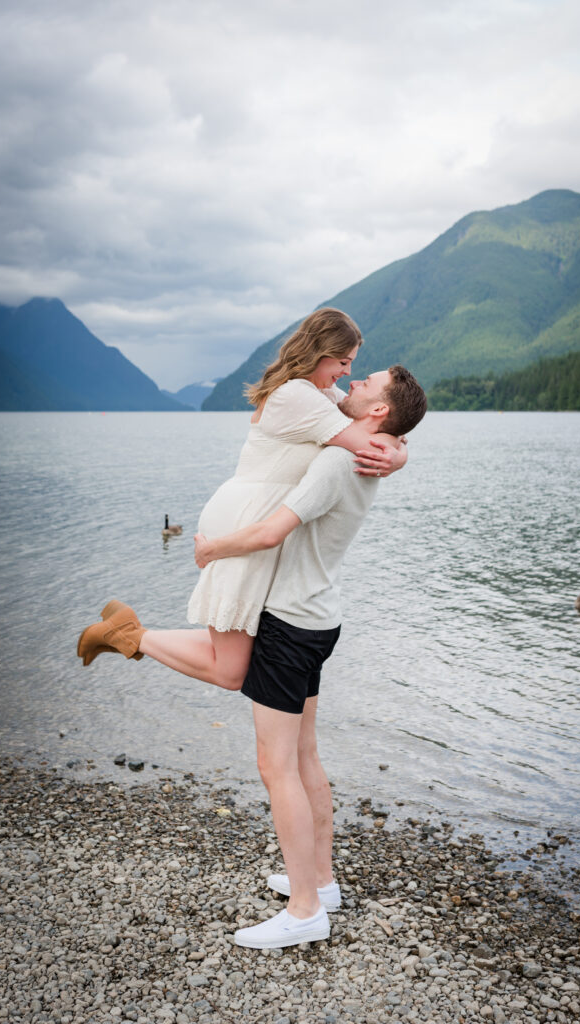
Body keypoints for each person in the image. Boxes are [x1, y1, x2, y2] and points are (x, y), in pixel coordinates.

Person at [191, 365, 428, 949]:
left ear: (378, 411)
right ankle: (320, 885)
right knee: (303, 756)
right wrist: (400, 450)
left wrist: (212, 549)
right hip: (320, 618)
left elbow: (272, 532)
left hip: (290, 624)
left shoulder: (336, 461)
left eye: (364, 382)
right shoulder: (368, 451)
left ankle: (303, 913)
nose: (352, 385)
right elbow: (390, 439)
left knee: (277, 767)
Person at [77, 308, 407, 680]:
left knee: (238, 659)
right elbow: (372, 443)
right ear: (320, 352)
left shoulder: (321, 394)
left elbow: (384, 429)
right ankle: (128, 634)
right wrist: (397, 457)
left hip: (256, 518)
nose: (347, 372)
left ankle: (128, 632)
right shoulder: (296, 395)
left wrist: (400, 450)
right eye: (344, 361)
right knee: (231, 672)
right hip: (245, 519)